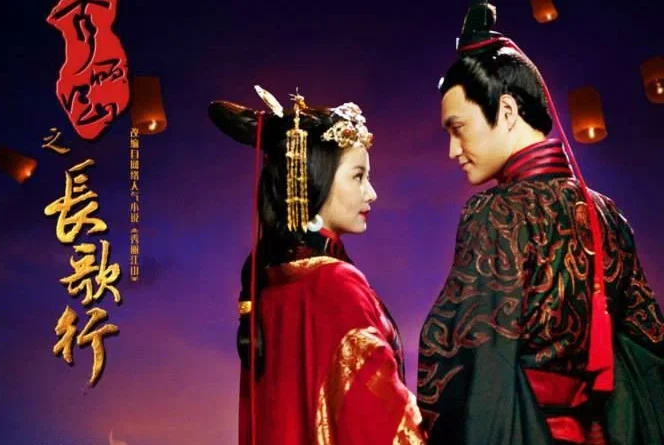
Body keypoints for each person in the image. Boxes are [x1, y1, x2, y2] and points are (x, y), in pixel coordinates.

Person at [417, 2, 664, 445]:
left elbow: (469, 366)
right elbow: (648, 349)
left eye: (458, 128)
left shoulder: (495, 212)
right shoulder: (605, 212)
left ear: (507, 110)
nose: (453, 150)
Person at [208, 86, 425, 445]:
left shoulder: (272, 280)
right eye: (358, 176)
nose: (371, 193)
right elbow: (378, 421)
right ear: (314, 178)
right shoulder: (336, 283)